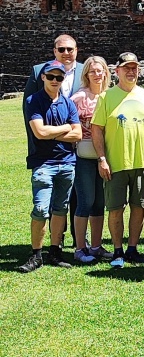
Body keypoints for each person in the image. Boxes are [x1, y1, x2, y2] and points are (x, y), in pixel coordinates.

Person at [91, 52, 144, 268]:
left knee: (139, 207)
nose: (131, 72)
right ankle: (117, 251)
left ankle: (132, 248)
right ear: (117, 71)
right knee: (115, 209)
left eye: (134, 68)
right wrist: (102, 158)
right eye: (127, 68)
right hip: (116, 163)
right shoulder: (106, 97)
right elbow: (96, 130)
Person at [19, 60, 82, 272]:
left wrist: (52, 131)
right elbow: (39, 132)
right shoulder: (33, 101)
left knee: (60, 209)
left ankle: (55, 251)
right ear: (43, 77)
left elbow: (78, 134)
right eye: (51, 76)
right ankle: (36, 254)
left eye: (59, 77)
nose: (55, 80)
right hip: (43, 164)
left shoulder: (68, 103)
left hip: (66, 163)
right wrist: (65, 129)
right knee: (40, 209)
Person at [70, 56, 113, 263]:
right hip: (84, 156)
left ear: (106, 73)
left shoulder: (110, 97)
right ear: (86, 74)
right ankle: (80, 248)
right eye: (93, 71)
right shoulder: (79, 98)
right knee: (85, 201)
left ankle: (96, 246)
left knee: (99, 203)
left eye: (100, 70)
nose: (97, 74)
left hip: (106, 156)